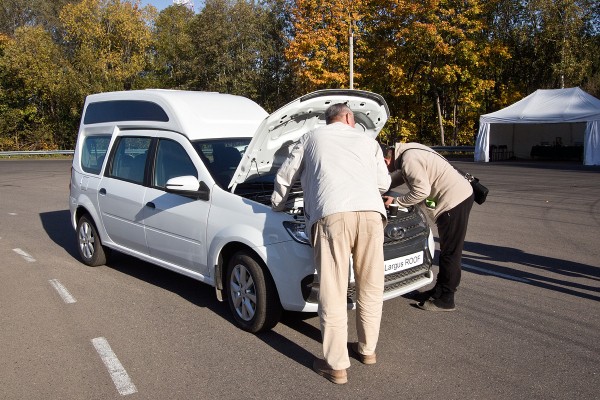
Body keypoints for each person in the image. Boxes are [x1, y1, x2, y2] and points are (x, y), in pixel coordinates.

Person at [271, 103, 391, 384]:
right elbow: (383, 184)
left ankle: (336, 366)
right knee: (371, 286)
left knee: (333, 290)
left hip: (332, 216)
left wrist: (277, 205)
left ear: (328, 120)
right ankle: (367, 350)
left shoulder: (311, 137)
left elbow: (286, 175)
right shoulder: (367, 140)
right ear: (348, 117)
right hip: (372, 215)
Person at [384, 142, 473, 312]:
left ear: (386, 160)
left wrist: (396, 201)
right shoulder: (408, 150)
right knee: (448, 250)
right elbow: (403, 176)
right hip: (460, 194)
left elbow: (421, 191)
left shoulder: (409, 159)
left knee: (450, 252)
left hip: (454, 202)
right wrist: (382, 186)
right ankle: (438, 290)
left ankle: (446, 298)